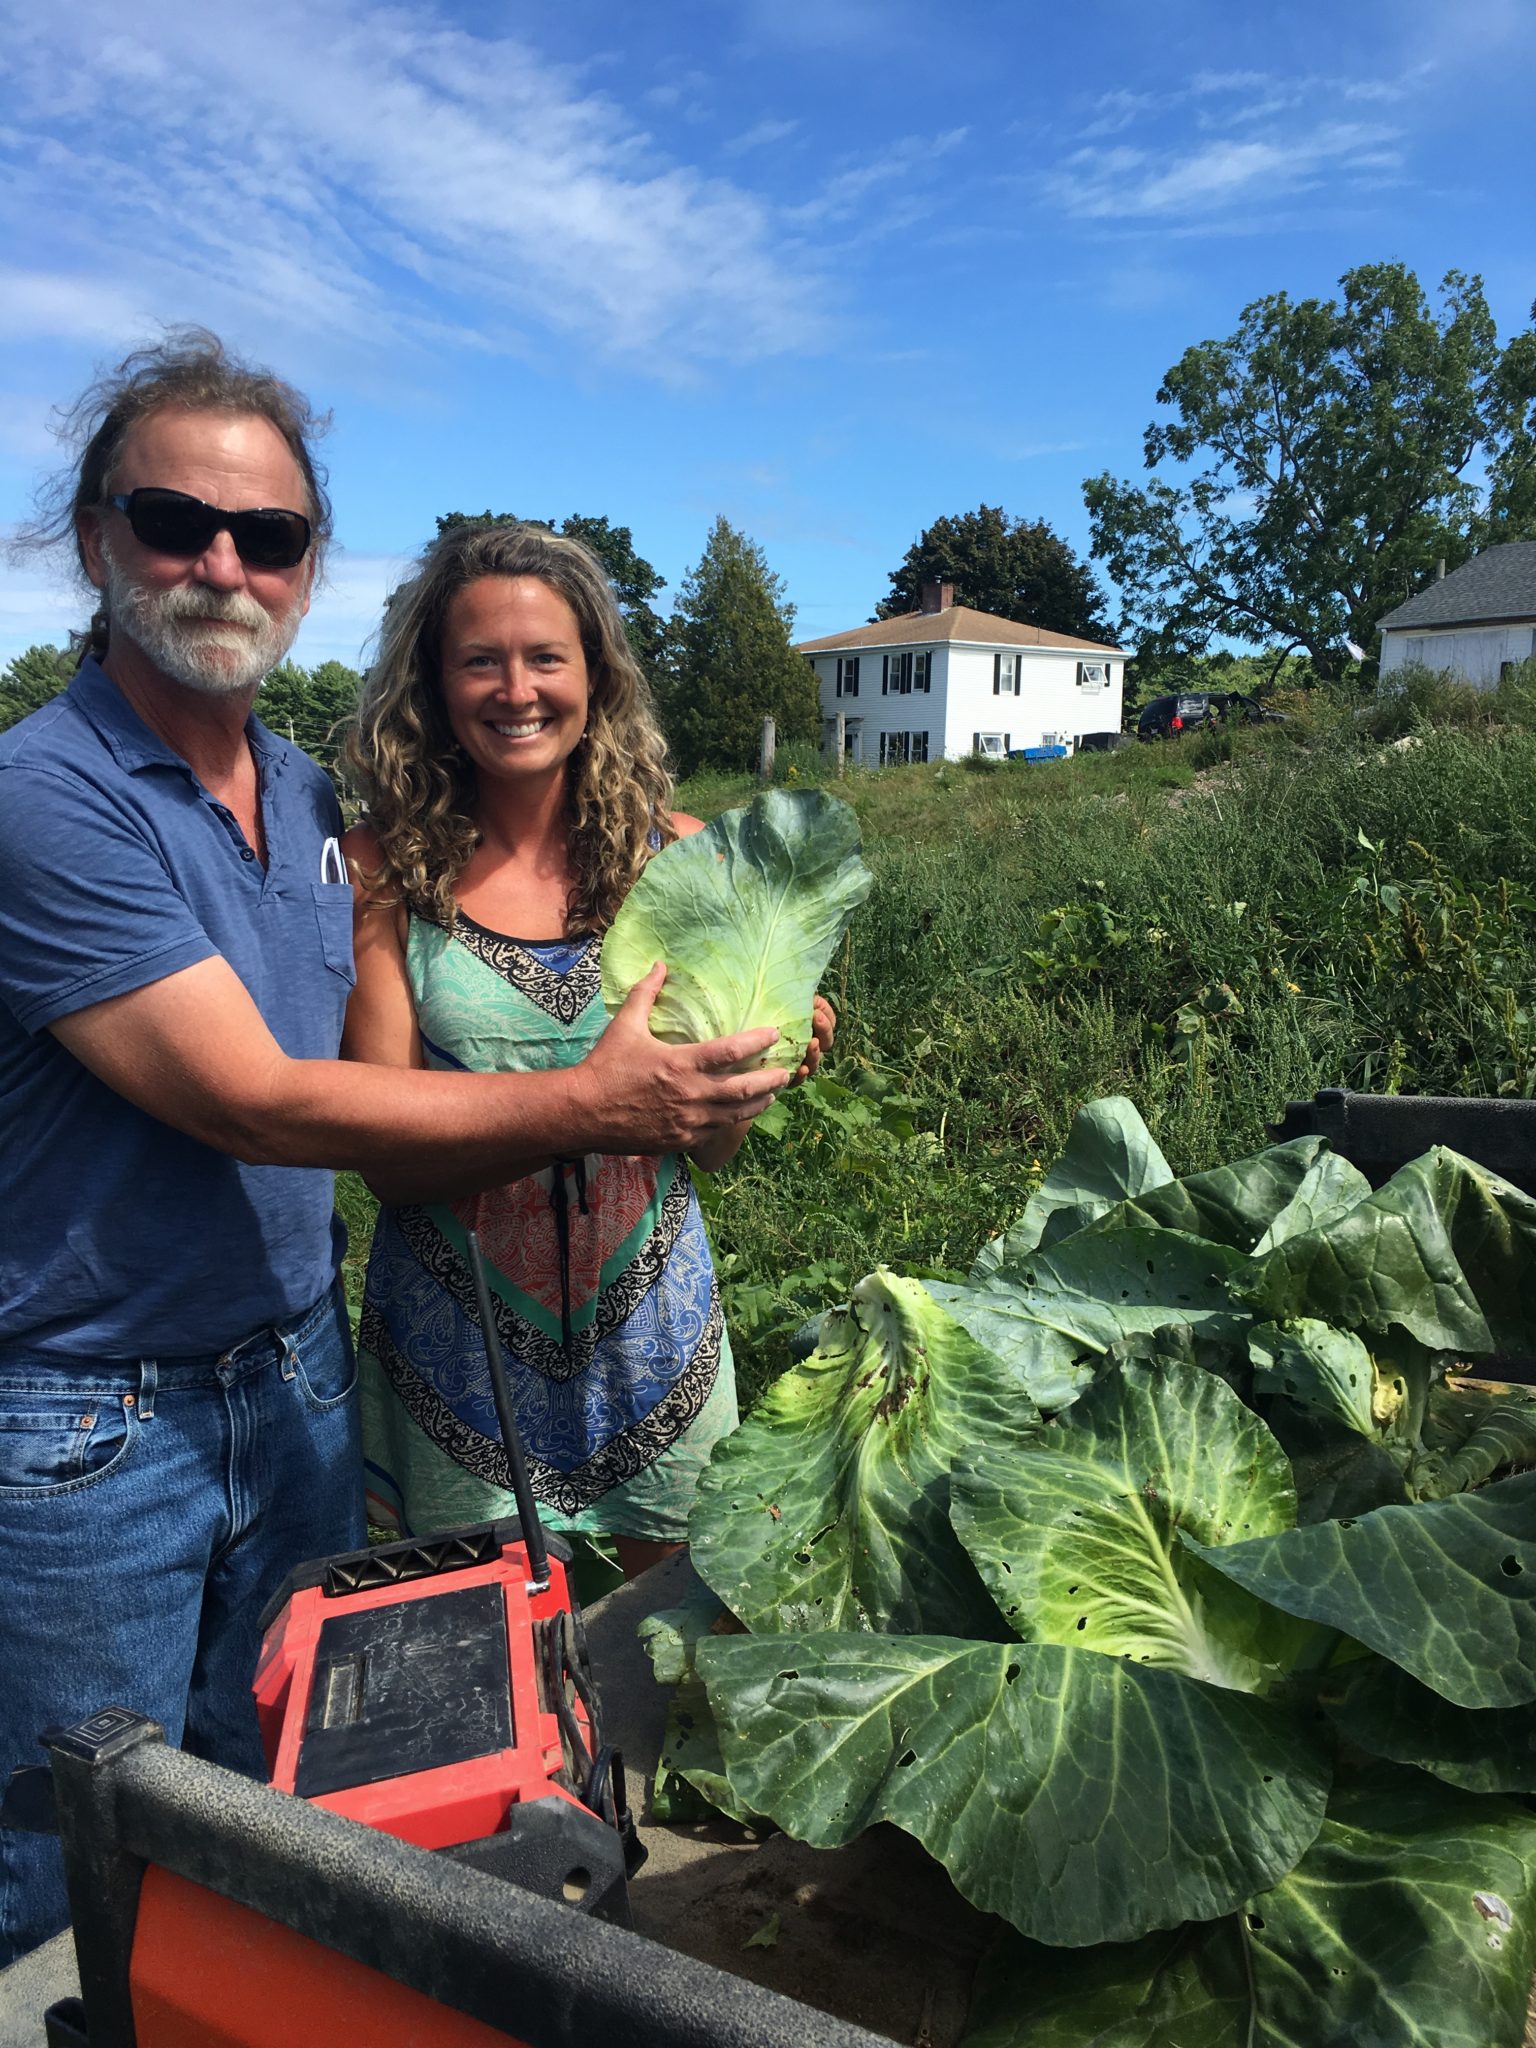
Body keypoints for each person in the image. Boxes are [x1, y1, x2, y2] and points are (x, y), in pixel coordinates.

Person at [0, 333, 785, 1966]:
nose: (222, 560)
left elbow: (733, 1013)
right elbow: (259, 1101)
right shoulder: (47, 796)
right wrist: (596, 1103)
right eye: (174, 519)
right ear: (94, 538)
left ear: (303, 568)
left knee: (293, 1808)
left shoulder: (302, 803)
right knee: (75, 1853)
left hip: (289, 1380)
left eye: (268, 534)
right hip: (97, 1411)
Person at [341, 522, 830, 1580]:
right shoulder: (383, 871)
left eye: (545, 657)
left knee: (672, 1665)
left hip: (652, 1329)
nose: (516, 689)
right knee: (489, 1680)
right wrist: (594, 1099)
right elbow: (386, 1156)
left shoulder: (691, 857)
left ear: (595, 675)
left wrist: (757, 1066)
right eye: (480, 659)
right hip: (457, 1345)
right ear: (433, 682)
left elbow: (713, 1151)